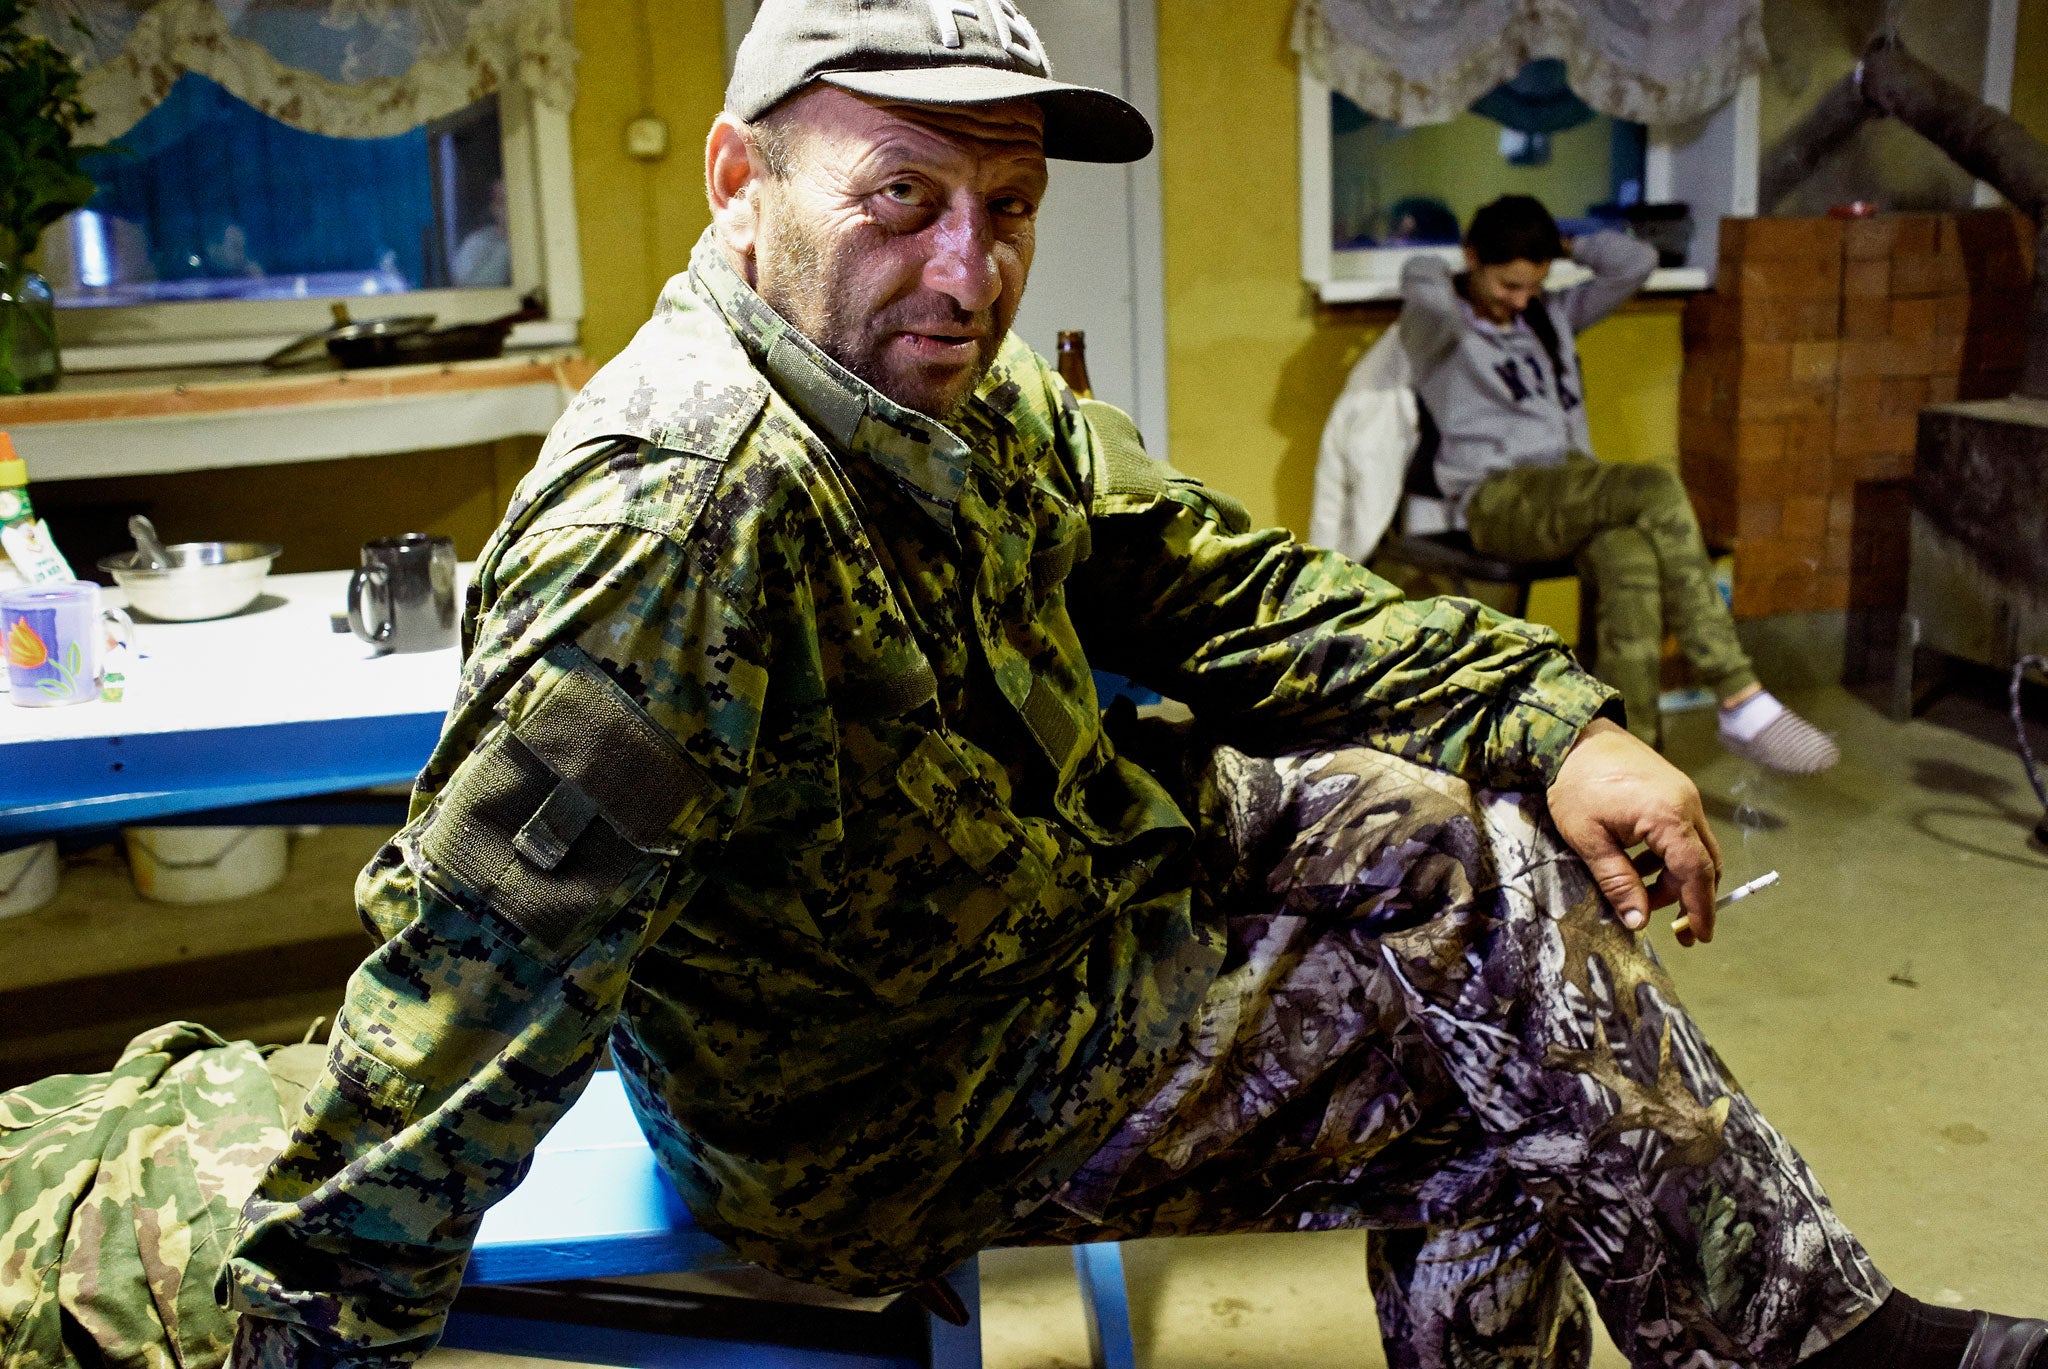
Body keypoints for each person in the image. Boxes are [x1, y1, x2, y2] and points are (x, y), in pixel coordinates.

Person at [190, 3, 2042, 1367]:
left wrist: (1554, 718)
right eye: (901, 194)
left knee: (1456, 833)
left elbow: (1235, 593)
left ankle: (1804, 1327)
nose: (965, 266)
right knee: (1494, 1056)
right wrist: (317, 1318)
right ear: (740, 182)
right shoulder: (688, 508)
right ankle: (1818, 1341)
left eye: (1005, 205)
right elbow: (488, 970)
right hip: (874, 1102)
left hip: (1038, 899)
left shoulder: (966, 400)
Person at [1400, 195, 1842, 775]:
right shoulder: (1440, 328)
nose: (1520, 299)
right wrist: (1454, 264)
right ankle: (1737, 694)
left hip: (1568, 484)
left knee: (1626, 555)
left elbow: (1634, 261)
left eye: (1532, 285)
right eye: (1507, 284)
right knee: (1653, 485)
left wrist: (1560, 242)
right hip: (1495, 497)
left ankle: (1633, 760)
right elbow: (1423, 282)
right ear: (1472, 257)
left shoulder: (1548, 315)